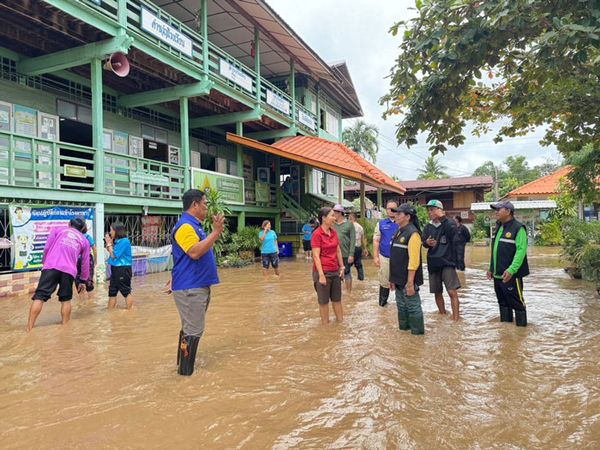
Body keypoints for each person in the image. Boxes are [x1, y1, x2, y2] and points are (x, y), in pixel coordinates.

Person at [170, 189, 224, 376]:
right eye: (205, 203)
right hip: (191, 288)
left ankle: (181, 369)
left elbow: (181, 257)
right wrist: (216, 233)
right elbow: (194, 252)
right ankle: (185, 375)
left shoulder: (194, 225)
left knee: (189, 329)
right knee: (192, 332)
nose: (207, 207)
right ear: (194, 204)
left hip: (193, 285)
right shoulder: (186, 226)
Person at [27, 217, 91, 331]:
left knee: (40, 297)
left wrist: (45, 262)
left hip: (51, 265)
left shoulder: (58, 230)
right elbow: (85, 263)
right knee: (66, 299)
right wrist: (82, 280)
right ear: (82, 228)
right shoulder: (84, 241)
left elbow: (47, 248)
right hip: (69, 271)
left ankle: (29, 329)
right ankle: (65, 329)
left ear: (69, 224)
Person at [486, 201, 529, 326]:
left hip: (511, 275)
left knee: (518, 304)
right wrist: (491, 268)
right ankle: (506, 334)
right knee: (503, 303)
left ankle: (521, 334)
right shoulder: (499, 226)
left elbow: (521, 252)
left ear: (508, 211)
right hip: (497, 275)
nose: (496, 212)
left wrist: (511, 270)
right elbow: (495, 250)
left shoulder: (518, 228)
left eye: (499, 209)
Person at [423, 200, 461, 321]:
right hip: (433, 263)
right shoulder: (428, 226)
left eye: (432, 209)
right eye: (428, 210)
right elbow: (423, 242)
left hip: (447, 262)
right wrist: (426, 243)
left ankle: (455, 319)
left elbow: (454, 235)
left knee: (451, 291)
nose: (430, 212)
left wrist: (443, 218)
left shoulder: (449, 223)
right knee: (437, 292)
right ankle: (442, 315)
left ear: (440, 210)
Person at [389, 204, 425, 334]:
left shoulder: (413, 234)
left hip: (408, 280)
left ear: (408, 217)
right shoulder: (399, 231)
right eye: (395, 213)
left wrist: (410, 283)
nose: (396, 216)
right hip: (398, 279)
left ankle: (417, 336)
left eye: (399, 214)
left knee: (413, 308)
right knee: (401, 307)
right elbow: (395, 257)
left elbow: (414, 261)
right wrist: (392, 278)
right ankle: (404, 334)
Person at [311, 207, 345, 325]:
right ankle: (325, 327)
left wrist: (342, 267)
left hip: (335, 270)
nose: (334, 218)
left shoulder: (334, 232)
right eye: (332, 216)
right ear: (324, 218)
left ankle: (340, 324)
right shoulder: (317, 234)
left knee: (337, 300)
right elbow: (316, 256)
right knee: (324, 302)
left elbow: (338, 251)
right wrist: (321, 275)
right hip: (322, 272)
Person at [372, 200, 399, 306]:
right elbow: (376, 240)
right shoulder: (381, 224)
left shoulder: (402, 222)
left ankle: (400, 304)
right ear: (386, 210)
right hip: (384, 256)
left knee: (400, 281)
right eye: (389, 208)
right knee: (384, 281)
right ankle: (382, 305)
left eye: (394, 209)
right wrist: (375, 257)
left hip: (400, 258)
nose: (391, 211)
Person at [105, 222, 133, 310]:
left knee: (126, 291)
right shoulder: (117, 241)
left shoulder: (124, 241)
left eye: (111, 230)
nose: (110, 232)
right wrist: (110, 243)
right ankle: (110, 312)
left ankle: (130, 311)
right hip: (115, 269)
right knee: (112, 292)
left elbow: (114, 255)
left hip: (122, 269)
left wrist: (109, 243)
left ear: (116, 231)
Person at [332, 204, 355, 294]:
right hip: (334, 254)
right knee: (336, 273)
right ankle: (338, 292)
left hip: (345, 254)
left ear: (340, 213)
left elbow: (353, 240)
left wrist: (351, 254)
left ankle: (349, 292)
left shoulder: (349, 224)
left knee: (347, 273)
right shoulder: (332, 225)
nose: (333, 214)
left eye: (335, 212)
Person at [75, 223, 96, 300]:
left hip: (77, 261)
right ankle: (91, 302)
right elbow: (94, 249)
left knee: (78, 281)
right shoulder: (87, 237)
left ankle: (81, 303)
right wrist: (95, 261)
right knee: (89, 282)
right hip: (87, 260)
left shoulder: (75, 237)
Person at [348, 212, 367, 280]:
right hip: (358, 248)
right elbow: (362, 239)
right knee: (358, 264)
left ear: (351, 218)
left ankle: (347, 280)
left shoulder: (348, 226)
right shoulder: (360, 227)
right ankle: (361, 279)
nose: (348, 219)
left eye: (349, 218)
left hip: (350, 248)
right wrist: (365, 249)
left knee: (347, 265)